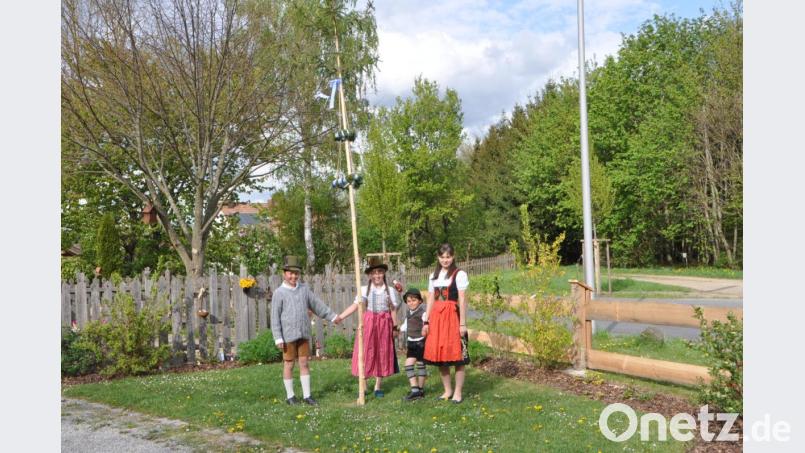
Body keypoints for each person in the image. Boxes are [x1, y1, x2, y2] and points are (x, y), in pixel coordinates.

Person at [270, 256, 342, 406]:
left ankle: (307, 395)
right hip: (287, 336)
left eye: (296, 273)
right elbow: (275, 317)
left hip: (303, 333)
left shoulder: (304, 290)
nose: (293, 276)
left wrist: (332, 316)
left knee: (304, 363)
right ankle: (290, 396)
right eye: (290, 273)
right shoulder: (279, 293)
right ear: (284, 273)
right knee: (289, 364)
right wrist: (278, 338)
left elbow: (317, 305)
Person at [338, 256, 400, 398]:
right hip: (369, 322)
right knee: (366, 351)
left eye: (380, 272)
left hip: (384, 323)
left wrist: (395, 327)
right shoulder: (365, 289)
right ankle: (364, 384)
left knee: (381, 351)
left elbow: (393, 310)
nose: (377, 275)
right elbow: (355, 306)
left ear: (383, 273)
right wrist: (340, 317)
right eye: (374, 273)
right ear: (370, 275)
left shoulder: (389, 290)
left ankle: (378, 386)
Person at [422, 243, 470, 404]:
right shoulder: (433, 276)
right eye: (442, 257)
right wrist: (426, 320)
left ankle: (458, 392)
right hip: (437, 319)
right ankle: (447, 390)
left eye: (448, 257)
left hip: (453, 318)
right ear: (438, 258)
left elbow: (462, 299)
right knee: (441, 356)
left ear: (453, 257)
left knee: (458, 356)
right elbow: (431, 299)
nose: (445, 260)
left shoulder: (459, 274)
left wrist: (462, 324)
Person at [400, 287, 428, 401]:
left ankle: (419, 390)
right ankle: (416, 390)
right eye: (409, 301)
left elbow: (427, 323)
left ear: (420, 301)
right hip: (411, 342)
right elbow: (406, 324)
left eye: (414, 300)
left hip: (421, 342)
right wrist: (399, 329)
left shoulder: (423, 313)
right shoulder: (408, 313)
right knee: (408, 364)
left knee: (421, 365)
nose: (411, 303)